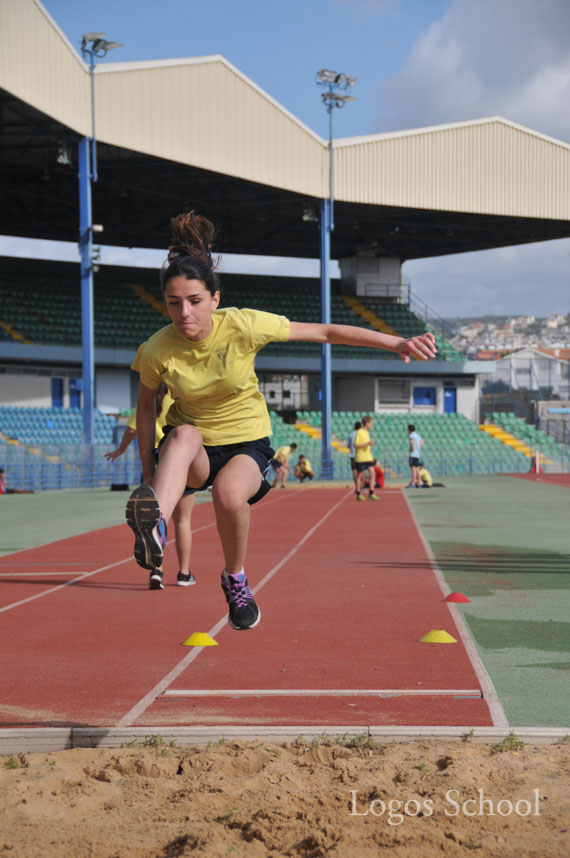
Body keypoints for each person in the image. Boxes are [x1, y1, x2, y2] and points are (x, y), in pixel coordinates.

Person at [125, 211, 436, 631]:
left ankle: (235, 580)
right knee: (182, 432)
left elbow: (325, 332)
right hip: (192, 449)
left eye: (195, 301)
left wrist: (396, 340)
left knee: (230, 496)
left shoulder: (243, 325)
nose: (184, 313)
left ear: (214, 300)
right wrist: (149, 472)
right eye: (174, 302)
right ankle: (154, 525)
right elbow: (146, 408)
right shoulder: (157, 348)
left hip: (245, 443)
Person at [106, 384, 197, 591]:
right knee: (183, 520)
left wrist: (120, 449)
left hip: (153, 463)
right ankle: (184, 573)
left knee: (155, 519)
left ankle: (157, 570)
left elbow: (131, 430)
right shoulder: (179, 401)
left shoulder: (145, 403)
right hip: (179, 463)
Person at [353, 415, 380, 501]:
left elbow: (368, 445)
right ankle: (358, 493)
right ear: (367, 423)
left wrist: (371, 455)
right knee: (359, 476)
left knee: (373, 473)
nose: (372, 424)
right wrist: (367, 444)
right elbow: (355, 445)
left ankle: (371, 492)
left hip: (368, 457)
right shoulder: (359, 432)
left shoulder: (367, 432)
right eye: (371, 423)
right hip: (360, 458)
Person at [346, 421, 361, 497]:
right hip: (361, 455)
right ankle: (361, 487)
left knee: (354, 471)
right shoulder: (362, 434)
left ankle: (356, 487)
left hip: (353, 455)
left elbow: (348, 446)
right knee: (362, 471)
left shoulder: (350, 435)